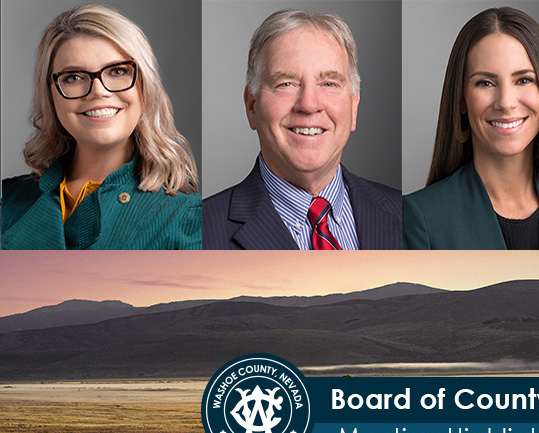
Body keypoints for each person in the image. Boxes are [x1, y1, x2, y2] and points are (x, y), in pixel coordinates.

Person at [1, 4, 200, 250]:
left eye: (117, 71)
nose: (99, 91)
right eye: (73, 77)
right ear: (50, 94)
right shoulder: (7, 200)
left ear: (145, 86)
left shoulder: (189, 219)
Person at [402, 7, 539, 250]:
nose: (506, 102)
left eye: (524, 80)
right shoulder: (421, 217)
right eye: (485, 83)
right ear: (462, 100)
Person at [202, 9, 401, 250]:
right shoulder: (202, 230)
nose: (308, 104)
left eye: (329, 83)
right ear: (252, 107)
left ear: (353, 107)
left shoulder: (403, 214)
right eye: (286, 83)